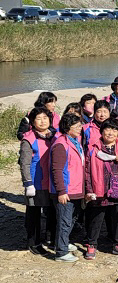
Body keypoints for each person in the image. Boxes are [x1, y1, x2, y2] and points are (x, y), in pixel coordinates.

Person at [83, 118, 118, 260]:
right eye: (107, 129)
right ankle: (92, 244)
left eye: (114, 130)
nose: (111, 133)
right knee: (96, 218)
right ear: (102, 131)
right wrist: (89, 188)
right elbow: (87, 170)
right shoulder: (93, 149)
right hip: (99, 188)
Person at [19, 107, 56, 255]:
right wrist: (28, 183)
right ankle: (33, 242)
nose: (42, 121)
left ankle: (52, 239)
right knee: (34, 213)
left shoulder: (54, 136)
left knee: (52, 211)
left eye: (45, 118)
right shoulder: (28, 139)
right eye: (39, 118)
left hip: (52, 182)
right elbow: (24, 163)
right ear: (33, 122)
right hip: (36, 182)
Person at [50, 114, 85, 262]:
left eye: (80, 125)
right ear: (67, 127)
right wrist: (61, 191)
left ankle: (62, 243)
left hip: (76, 188)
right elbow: (57, 170)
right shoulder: (60, 144)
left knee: (72, 218)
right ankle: (61, 252)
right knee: (64, 221)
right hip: (66, 190)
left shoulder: (75, 142)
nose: (80, 128)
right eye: (76, 126)